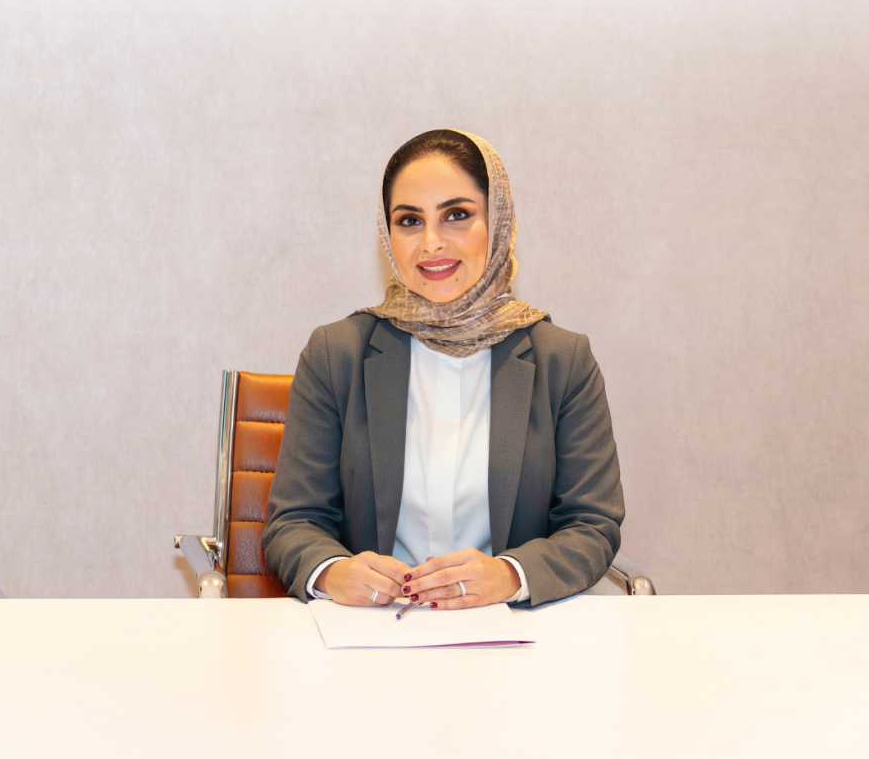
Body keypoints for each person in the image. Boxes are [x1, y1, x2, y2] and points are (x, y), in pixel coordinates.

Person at [263, 129, 623, 608]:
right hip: (374, 632)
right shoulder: (336, 354)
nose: (431, 243)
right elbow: (294, 522)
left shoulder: (563, 361)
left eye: (457, 215)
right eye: (410, 221)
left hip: (511, 631)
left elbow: (593, 525)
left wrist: (510, 575)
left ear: (498, 222)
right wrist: (332, 571)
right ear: (388, 235)